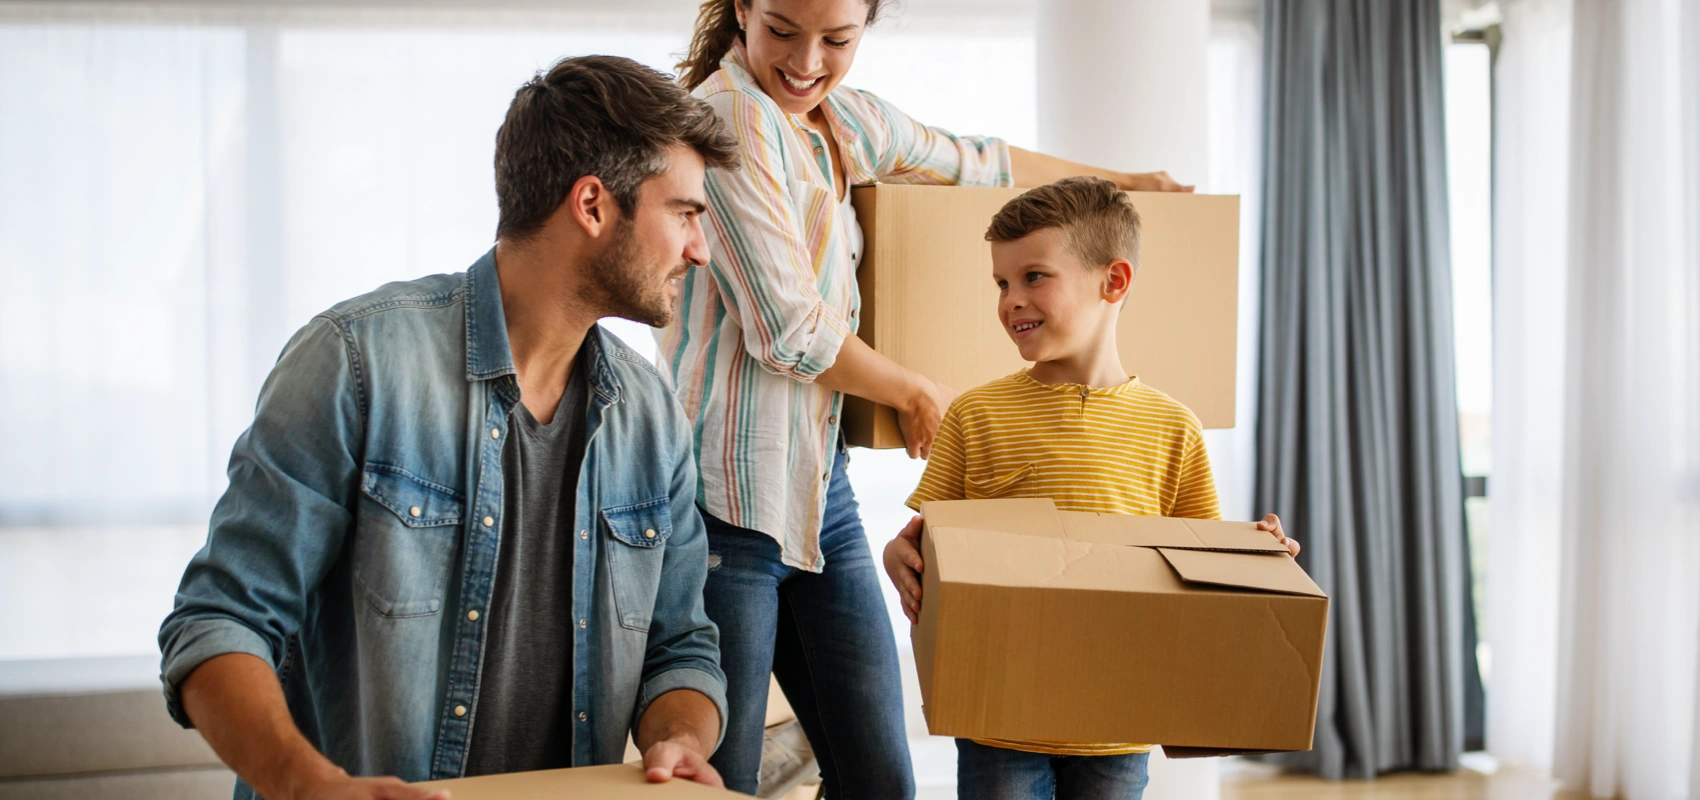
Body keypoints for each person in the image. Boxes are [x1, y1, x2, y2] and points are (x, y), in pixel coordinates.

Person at [158, 55, 740, 799]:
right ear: (592, 205)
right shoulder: (354, 364)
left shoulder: (651, 415)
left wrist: (678, 739)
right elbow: (219, 622)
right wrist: (307, 785)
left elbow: (680, 645)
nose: (700, 248)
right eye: (685, 213)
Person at [660, 1, 1198, 796]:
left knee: (881, 782)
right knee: (723, 782)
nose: (808, 61)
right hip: (727, 502)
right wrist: (916, 392)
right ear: (742, 8)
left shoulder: (843, 121)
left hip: (819, 487)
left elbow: (977, 161)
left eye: (838, 40)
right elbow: (789, 330)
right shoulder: (727, 120)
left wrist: (1123, 185)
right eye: (782, 30)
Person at [884, 177, 1301, 800]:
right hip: (998, 713)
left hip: (1117, 722)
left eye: (1034, 277)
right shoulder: (977, 414)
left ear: (1114, 281)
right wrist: (899, 555)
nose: (1010, 300)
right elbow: (928, 538)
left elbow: (1203, 562)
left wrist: (1261, 555)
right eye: (1001, 283)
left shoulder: (1172, 426)